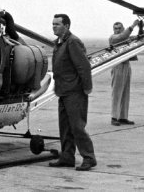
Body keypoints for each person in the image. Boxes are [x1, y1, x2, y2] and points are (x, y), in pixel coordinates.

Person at [49, 14, 97, 171]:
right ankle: (67, 157)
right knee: (65, 127)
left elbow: (84, 66)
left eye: (57, 24)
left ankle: (89, 157)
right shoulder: (59, 43)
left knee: (77, 126)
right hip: (63, 91)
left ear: (67, 26)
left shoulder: (73, 42)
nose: (54, 26)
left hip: (74, 92)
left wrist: (87, 87)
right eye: (53, 24)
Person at [109, 20, 140, 126]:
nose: (117, 30)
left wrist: (140, 27)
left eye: (119, 28)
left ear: (122, 29)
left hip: (126, 65)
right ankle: (114, 117)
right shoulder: (113, 38)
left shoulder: (126, 38)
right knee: (117, 93)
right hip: (117, 66)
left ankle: (123, 117)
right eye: (115, 28)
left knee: (125, 93)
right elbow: (121, 37)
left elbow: (140, 38)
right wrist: (133, 25)